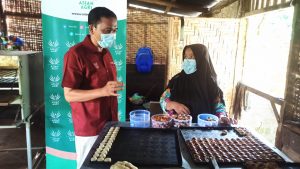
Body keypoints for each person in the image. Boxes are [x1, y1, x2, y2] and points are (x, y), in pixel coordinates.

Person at [62, 7, 123, 169]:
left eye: (114, 30)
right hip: (90, 128)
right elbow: (69, 95)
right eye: (107, 30)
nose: (112, 34)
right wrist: (103, 91)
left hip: (110, 124)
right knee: (88, 166)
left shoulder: (106, 52)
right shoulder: (76, 54)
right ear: (92, 28)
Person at [160, 44, 231, 124]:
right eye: (185, 57)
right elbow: (163, 99)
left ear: (201, 59)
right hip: (178, 126)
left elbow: (219, 106)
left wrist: (222, 116)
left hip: (205, 129)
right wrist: (172, 104)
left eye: (192, 57)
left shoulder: (210, 83)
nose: (187, 60)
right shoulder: (177, 79)